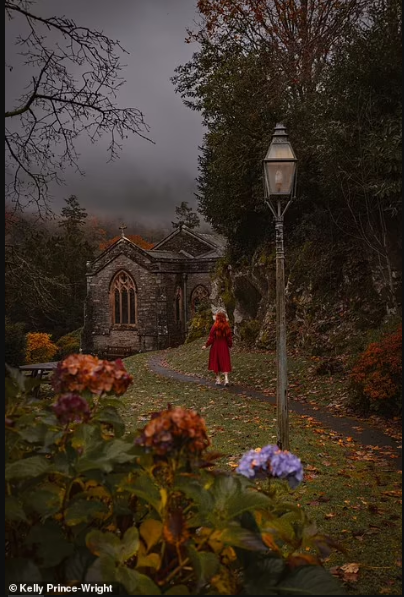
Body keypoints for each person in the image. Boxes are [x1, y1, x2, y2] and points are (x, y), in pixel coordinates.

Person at [202, 310, 232, 386]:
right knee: (225, 361)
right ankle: (226, 379)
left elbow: (211, 338)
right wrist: (229, 345)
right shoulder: (227, 326)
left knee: (216, 361)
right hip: (224, 346)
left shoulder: (215, 326)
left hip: (216, 346)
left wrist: (206, 345)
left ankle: (218, 380)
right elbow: (229, 338)